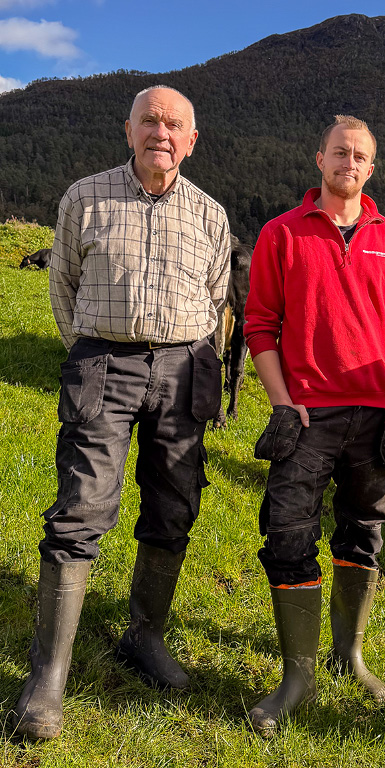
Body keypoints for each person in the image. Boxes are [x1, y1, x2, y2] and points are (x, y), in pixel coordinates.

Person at [12, 86, 231, 740]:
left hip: (185, 370)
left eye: (175, 124)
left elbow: (217, 297)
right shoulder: (85, 197)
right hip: (104, 363)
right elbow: (63, 286)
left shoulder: (211, 214)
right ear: (128, 130)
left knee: (175, 505)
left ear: (192, 141)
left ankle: (144, 636)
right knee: (80, 509)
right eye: (150, 121)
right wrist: (91, 347)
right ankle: (49, 675)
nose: (162, 132)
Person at [243, 114, 385, 734]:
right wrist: (281, 402)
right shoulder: (282, 234)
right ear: (319, 159)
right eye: (339, 152)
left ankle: (350, 656)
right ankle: (299, 677)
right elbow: (259, 325)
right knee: (289, 535)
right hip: (307, 415)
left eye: (360, 156)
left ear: (371, 168)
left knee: (364, 532)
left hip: (376, 416)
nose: (349, 162)